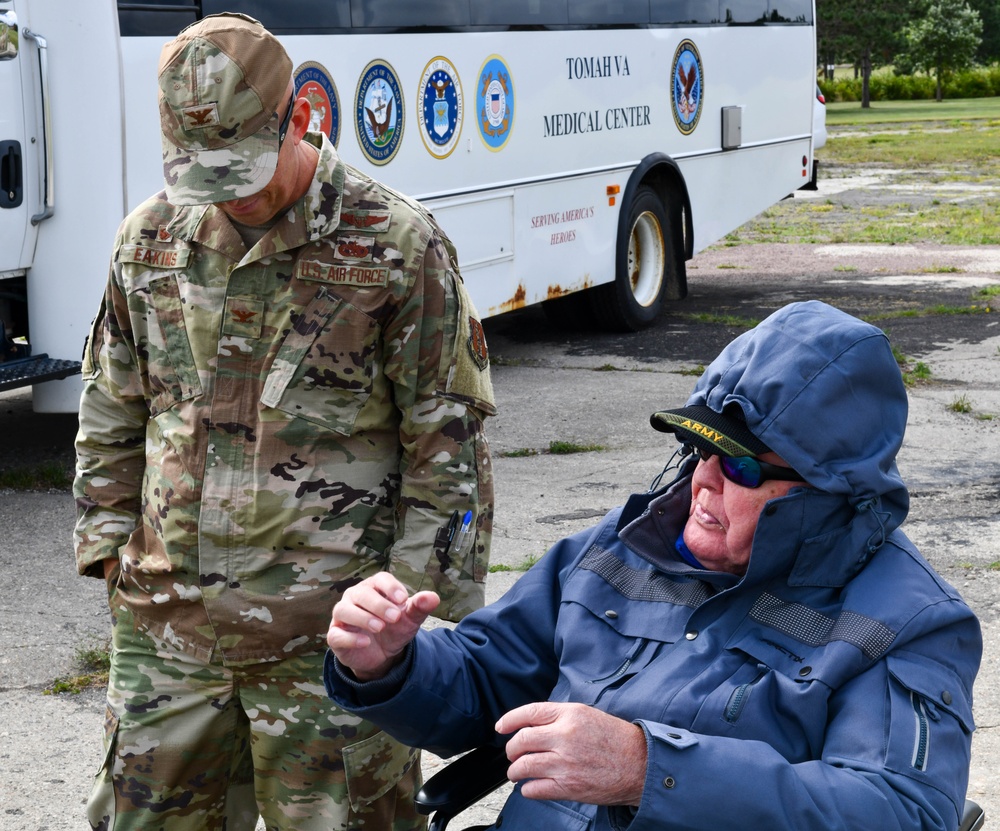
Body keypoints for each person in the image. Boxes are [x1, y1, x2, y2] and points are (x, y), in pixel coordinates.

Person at [326, 300, 982, 831]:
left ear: (830, 486)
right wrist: (390, 664)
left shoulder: (907, 623)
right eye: (698, 448)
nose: (703, 482)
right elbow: (480, 684)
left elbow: (902, 810)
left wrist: (650, 767)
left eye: (741, 467)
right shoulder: (625, 544)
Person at [73, 13, 495, 831]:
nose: (228, 192)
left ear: (302, 114)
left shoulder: (396, 245)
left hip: (329, 649)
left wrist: (412, 621)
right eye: (203, 170)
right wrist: (108, 550)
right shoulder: (150, 238)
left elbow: (447, 442)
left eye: (244, 166)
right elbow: (114, 398)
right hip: (169, 639)